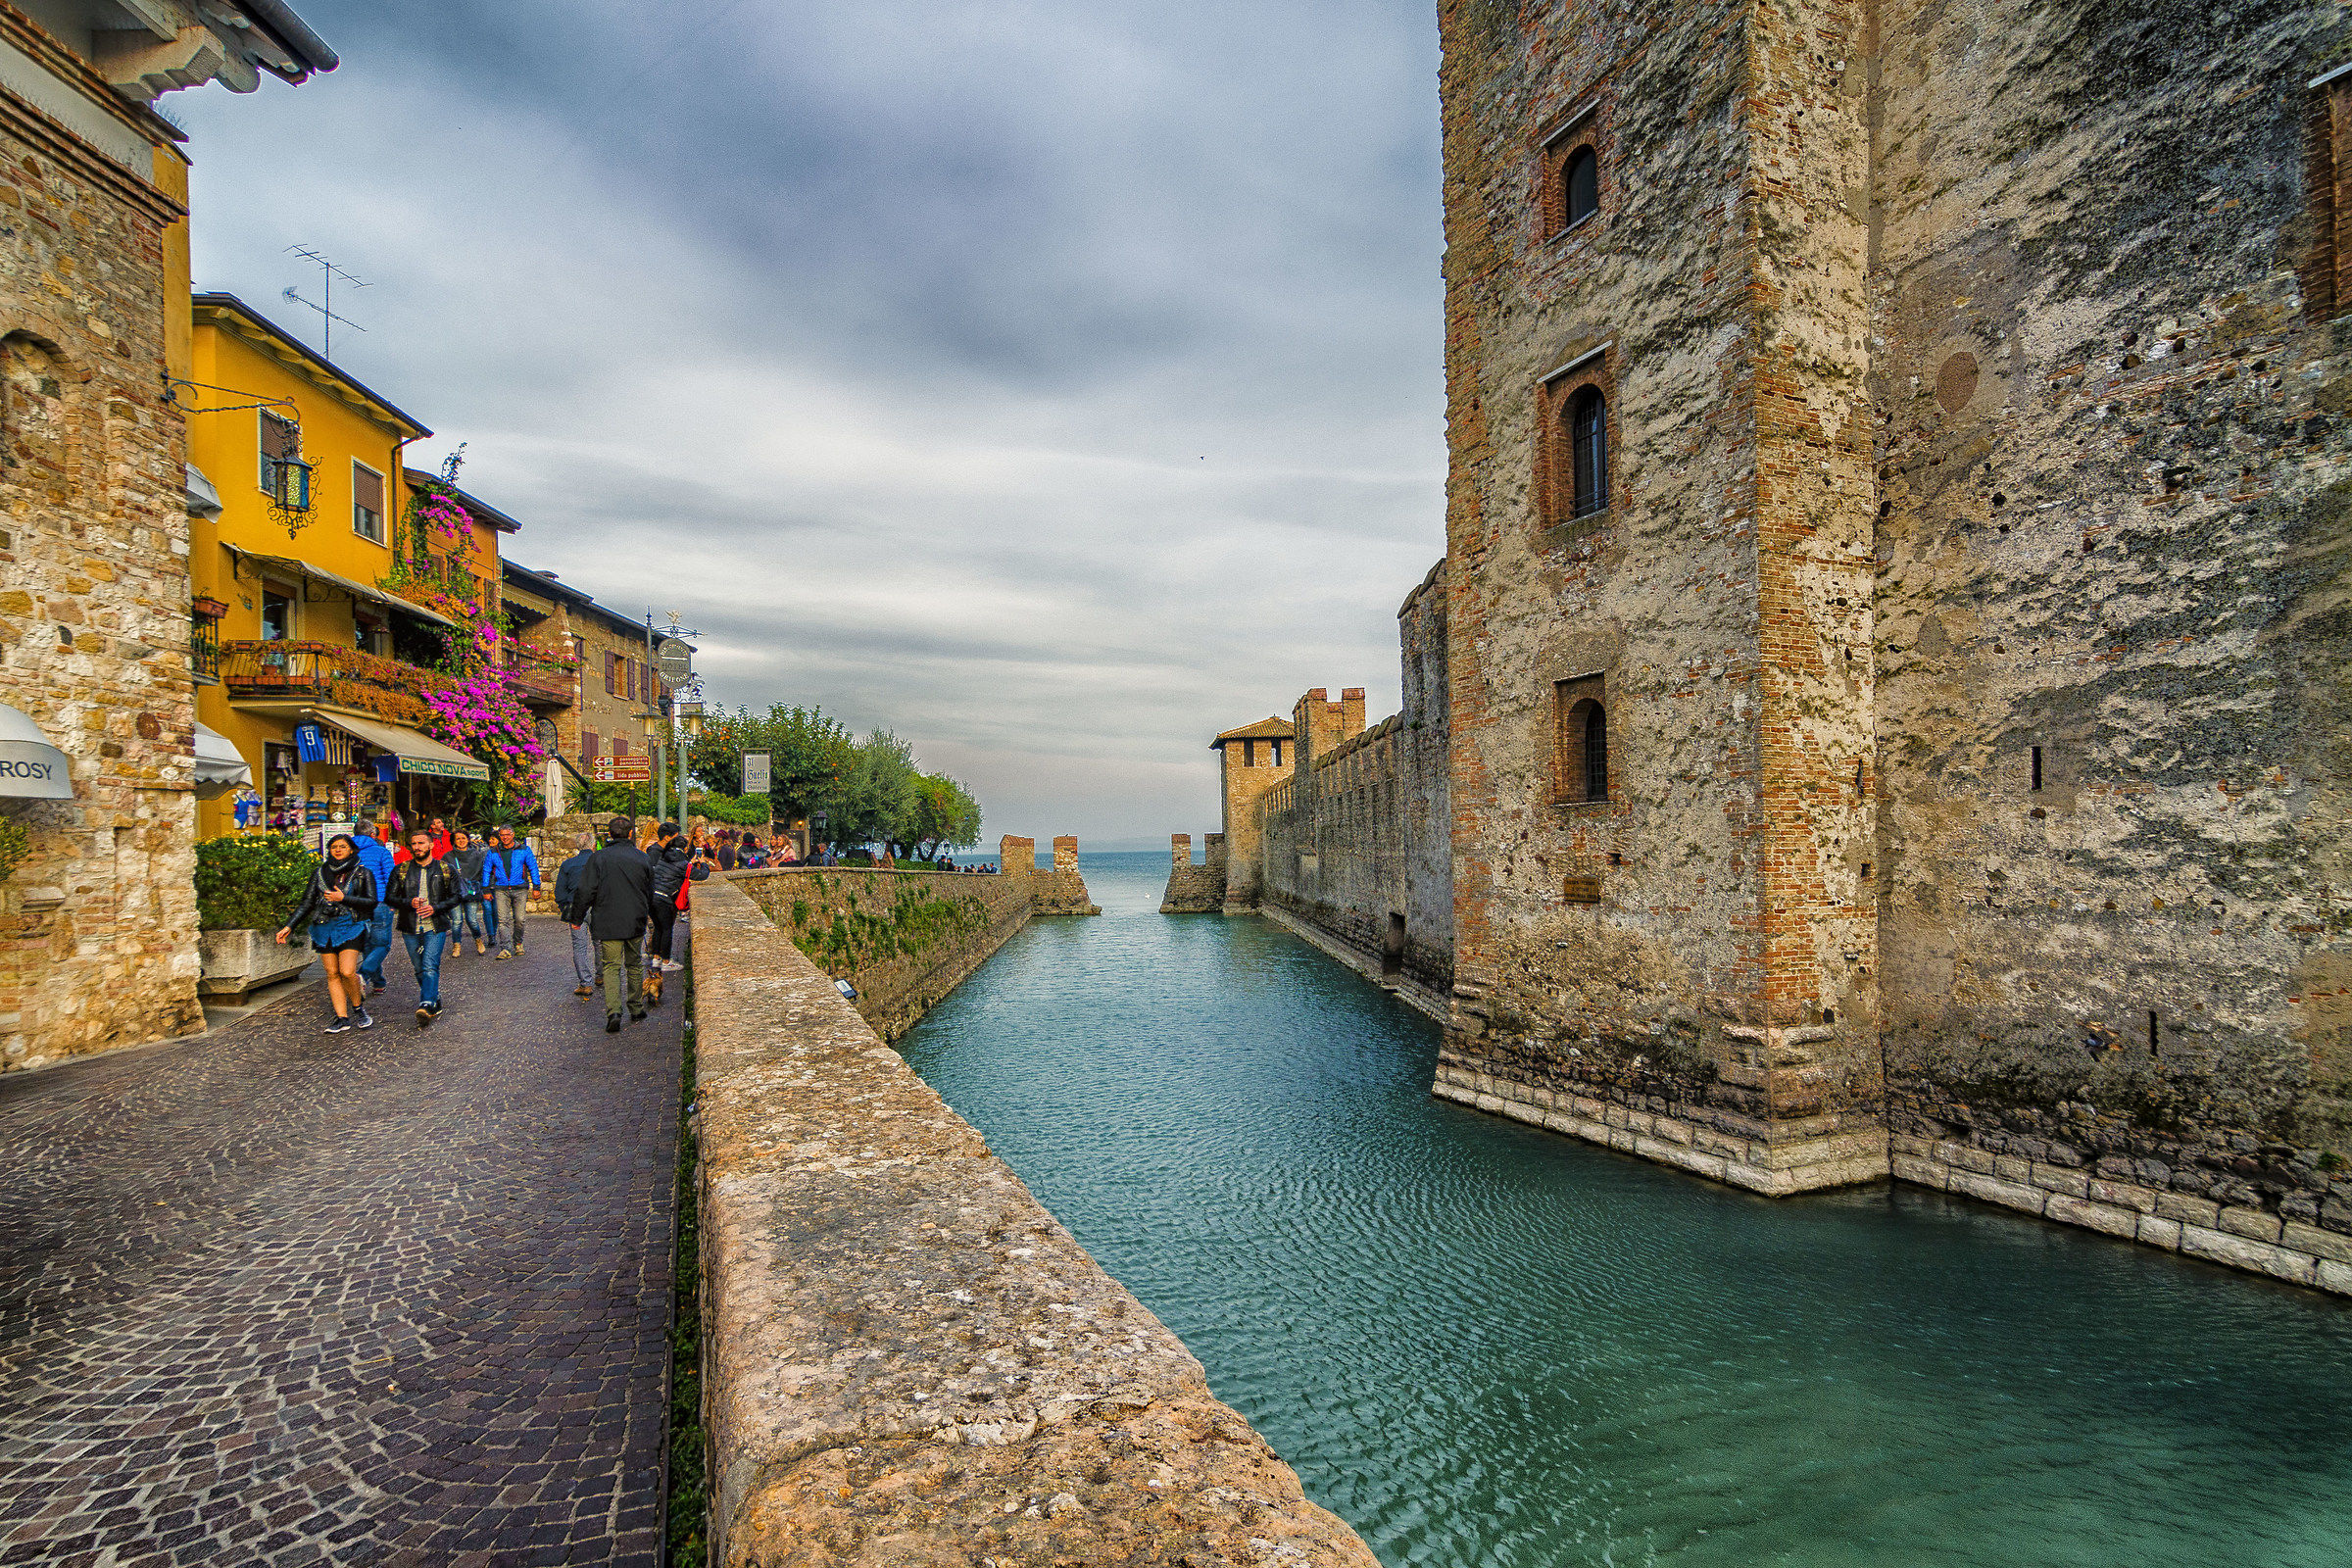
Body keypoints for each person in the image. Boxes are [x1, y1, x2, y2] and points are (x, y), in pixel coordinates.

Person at [274, 832, 379, 1034]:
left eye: (342, 846)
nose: (338, 850)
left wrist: (344, 898)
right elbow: (307, 902)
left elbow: (372, 902)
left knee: (347, 971)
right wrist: (289, 926)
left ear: (351, 850)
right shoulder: (320, 873)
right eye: (334, 847)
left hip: (351, 925)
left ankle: (358, 1008)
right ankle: (342, 1018)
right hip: (324, 926)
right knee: (332, 973)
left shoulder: (362, 873)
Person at [568, 814, 654, 1033]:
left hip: (607, 920)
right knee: (634, 965)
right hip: (635, 919)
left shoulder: (598, 858)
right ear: (631, 833)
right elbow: (649, 890)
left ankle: (614, 1012)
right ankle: (635, 1007)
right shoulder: (641, 858)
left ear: (609, 834)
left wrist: (577, 918)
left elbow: (585, 890)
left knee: (611, 967)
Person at [383, 828, 464, 1027]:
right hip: (410, 926)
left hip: (435, 926)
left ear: (431, 845)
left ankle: (426, 1004)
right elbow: (389, 897)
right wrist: (409, 902)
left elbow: (456, 896)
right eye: (414, 843)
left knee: (429, 964)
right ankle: (434, 998)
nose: (417, 847)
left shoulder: (445, 869)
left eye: (421, 843)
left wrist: (435, 908)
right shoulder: (401, 870)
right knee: (419, 968)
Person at [349, 820, 399, 998]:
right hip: (379, 902)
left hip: (355, 903)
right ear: (373, 835)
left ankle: (378, 982)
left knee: (368, 944)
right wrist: (393, 902)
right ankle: (362, 975)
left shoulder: (347, 852)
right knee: (382, 944)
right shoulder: (381, 852)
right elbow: (392, 878)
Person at [481, 825, 540, 960]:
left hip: (520, 888)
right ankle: (506, 948)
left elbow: (533, 867)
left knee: (520, 919)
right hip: (501, 889)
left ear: (512, 834)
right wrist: (485, 889)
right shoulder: (493, 852)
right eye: (502, 835)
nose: (505, 837)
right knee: (503, 920)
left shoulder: (524, 849)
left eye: (507, 834)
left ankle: (518, 943)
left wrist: (536, 887)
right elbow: (487, 870)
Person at [553, 832, 598, 998]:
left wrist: (564, 907)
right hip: (597, 906)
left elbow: (560, 892)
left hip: (575, 906)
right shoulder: (599, 861)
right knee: (599, 942)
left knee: (580, 947)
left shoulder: (568, 864)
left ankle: (586, 983)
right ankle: (600, 975)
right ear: (593, 845)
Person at [645, 821, 689, 975]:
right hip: (662, 896)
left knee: (659, 928)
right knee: (666, 928)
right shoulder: (656, 852)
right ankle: (665, 960)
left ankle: (656, 958)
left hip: (655, 896)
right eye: (675, 837)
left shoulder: (658, 851)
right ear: (667, 837)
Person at [448, 828, 493, 956]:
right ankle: (456, 946)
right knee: (457, 921)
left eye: (463, 838)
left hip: (471, 891)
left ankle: (478, 940)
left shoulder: (476, 855)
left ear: (468, 839)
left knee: (472, 919)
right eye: (458, 838)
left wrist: (485, 889)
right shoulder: (448, 856)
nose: (461, 841)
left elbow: (482, 874)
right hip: (454, 892)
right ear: (454, 841)